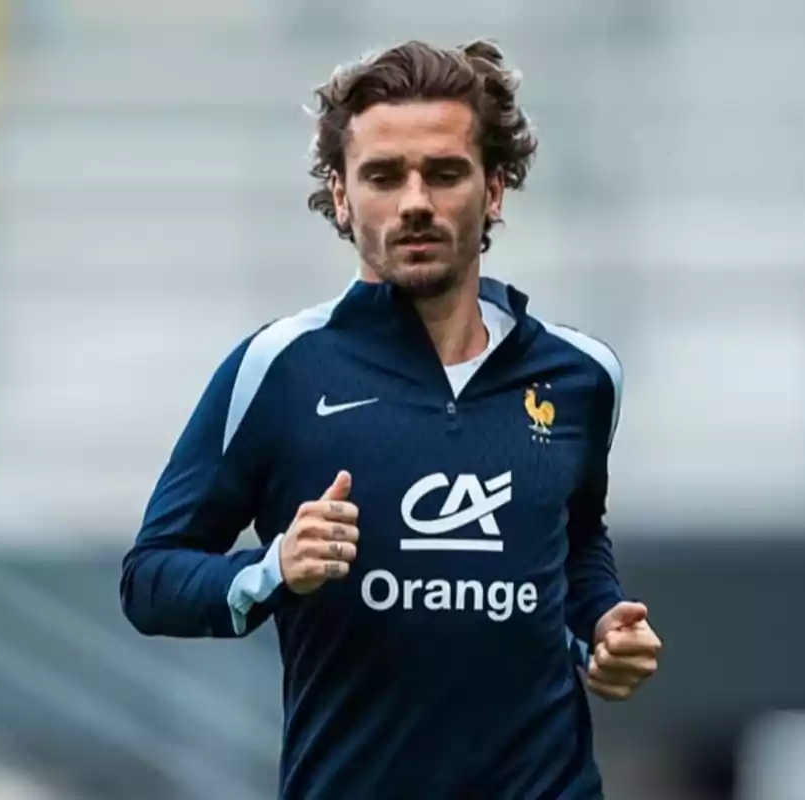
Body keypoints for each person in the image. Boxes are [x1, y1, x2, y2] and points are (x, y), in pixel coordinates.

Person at [120, 38, 662, 799]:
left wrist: (604, 627)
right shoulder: (278, 369)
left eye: (444, 173)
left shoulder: (580, 377)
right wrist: (274, 569)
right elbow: (150, 581)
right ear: (341, 196)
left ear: (495, 189)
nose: (415, 201)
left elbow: (571, 543)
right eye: (382, 176)